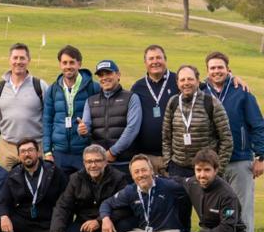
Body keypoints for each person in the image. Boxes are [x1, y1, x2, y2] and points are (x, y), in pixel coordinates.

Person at [202, 52, 263, 232]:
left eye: (220, 67)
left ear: (228, 69)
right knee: (216, 211)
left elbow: (257, 125)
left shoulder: (242, 92)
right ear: (207, 71)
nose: (216, 71)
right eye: (212, 68)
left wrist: (261, 156)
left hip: (239, 159)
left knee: (243, 208)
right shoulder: (200, 91)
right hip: (210, 162)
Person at [101, 154, 188, 232]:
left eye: (144, 170)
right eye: (136, 172)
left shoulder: (167, 185)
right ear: (132, 175)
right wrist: (105, 219)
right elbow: (107, 203)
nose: (141, 174)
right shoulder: (130, 191)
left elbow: (191, 187)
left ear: (151, 171)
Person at [48, 145, 127, 232]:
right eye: (89, 161)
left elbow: (124, 207)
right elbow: (63, 206)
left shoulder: (118, 178)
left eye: (97, 161)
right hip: (84, 223)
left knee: (126, 224)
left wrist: (99, 221)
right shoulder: (75, 179)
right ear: (84, 163)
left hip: (110, 222)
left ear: (105, 162)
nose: (93, 165)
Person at [0, 138, 67, 232]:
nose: (27, 154)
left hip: (48, 225)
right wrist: (3, 216)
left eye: (30, 150)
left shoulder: (55, 172)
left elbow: (65, 203)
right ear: (19, 156)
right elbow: (2, 200)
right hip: (24, 222)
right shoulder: (13, 174)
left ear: (38, 152)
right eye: (23, 151)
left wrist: (58, 230)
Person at [162, 65, 232, 181]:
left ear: (198, 81)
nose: (186, 83)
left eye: (190, 79)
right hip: (177, 169)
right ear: (177, 83)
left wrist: (217, 171)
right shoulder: (173, 102)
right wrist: (168, 163)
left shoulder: (211, 103)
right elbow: (166, 137)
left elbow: (227, 139)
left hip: (205, 170)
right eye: (182, 80)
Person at [42, 45, 99, 174]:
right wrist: (47, 151)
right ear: (60, 65)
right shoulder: (53, 90)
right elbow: (47, 121)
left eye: (72, 62)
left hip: (84, 152)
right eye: (64, 62)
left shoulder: (94, 88)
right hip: (59, 154)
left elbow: (100, 119)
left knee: (84, 192)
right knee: (60, 192)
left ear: (79, 64)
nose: (68, 66)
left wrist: (88, 131)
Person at [0, 44, 48, 171]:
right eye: (15, 58)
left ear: (29, 60)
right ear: (9, 60)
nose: (18, 62)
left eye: (22, 58)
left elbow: (48, 115)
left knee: (35, 184)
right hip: (8, 148)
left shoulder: (40, 85)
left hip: (34, 147)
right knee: (8, 185)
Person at [80, 60, 142, 173]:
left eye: (108, 73)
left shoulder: (131, 98)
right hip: (99, 164)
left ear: (118, 75)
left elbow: (132, 129)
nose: (104, 78)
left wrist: (113, 152)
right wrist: (83, 131)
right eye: (101, 75)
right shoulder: (90, 101)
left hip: (125, 162)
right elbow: (87, 127)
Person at [129, 45, 178, 173]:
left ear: (165, 60)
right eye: (151, 59)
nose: (155, 62)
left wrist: (232, 78)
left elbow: (201, 86)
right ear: (145, 63)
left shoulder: (178, 80)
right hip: (147, 156)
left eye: (158, 58)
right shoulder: (137, 87)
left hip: (173, 156)